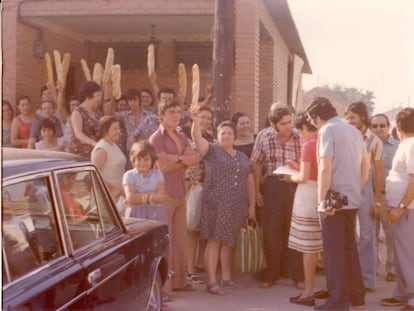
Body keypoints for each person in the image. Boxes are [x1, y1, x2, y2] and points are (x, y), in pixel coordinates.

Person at [305, 97, 370, 311]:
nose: (313, 124)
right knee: (350, 249)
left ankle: (337, 302)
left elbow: (325, 167)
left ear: (317, 117)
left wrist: (322, 201)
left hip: (333, 201)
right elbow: (365, 165)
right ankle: (357, 298)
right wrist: (355, 188)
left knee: (334, 254)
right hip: (351, 199)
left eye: (312, 120)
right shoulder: (354, 131)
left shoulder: (327, 131)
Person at [191, 111, 255, 295]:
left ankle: (226, 278)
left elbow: (249, 180)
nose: (226, 136)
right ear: (217, 136)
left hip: (237, 205)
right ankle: (211, 281)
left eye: (229, 133)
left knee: (229, 241)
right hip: (216, 204)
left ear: (234, 137)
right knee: (214, 240)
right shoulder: (211, 151)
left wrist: (251, 206)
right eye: (222, 133)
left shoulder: (242, 156)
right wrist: (196, 123)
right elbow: (197, 138)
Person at [251, 103, 304, 289]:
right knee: (271, 232)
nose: (289, 126)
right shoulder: (263, 136)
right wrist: (257, 190)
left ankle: (298, 275)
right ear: (273, 125)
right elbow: (257, 163)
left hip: (296, 185)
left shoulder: (299, 137)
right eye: (284, 123)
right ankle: (270, 274)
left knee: (295, 230)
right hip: (273, 186)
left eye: (290, 122)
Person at [149, 99, 199, 292]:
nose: (176, 115)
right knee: (166, 238)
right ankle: (165, 286)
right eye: (171, 112)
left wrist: (176, 158)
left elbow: (194, 159)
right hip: (165, 192)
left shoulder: (181, 135)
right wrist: (182, 160)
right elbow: (163, 166)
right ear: (161, 115)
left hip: (180, 190)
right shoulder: (156, 138)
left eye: (178, 112)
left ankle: (180, 282)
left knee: (180, 237)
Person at [345, 101, 383, 292]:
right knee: (347, 232)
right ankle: (350, 278)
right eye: (347, 118)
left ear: (362, 116)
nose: (349, 121)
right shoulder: (346, 136)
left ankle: (367, 281)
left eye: (352, 117)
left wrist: (377, 200)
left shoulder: (374, 141)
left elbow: (377, 172)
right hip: (347, 186)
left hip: (365, 187)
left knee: (367, 234)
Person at [285, 114, 323, 307]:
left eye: (300, 131)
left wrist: (291, 176)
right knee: (320, 245)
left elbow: (305, 177)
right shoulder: (325, 142)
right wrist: (298, 167)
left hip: (307, 196)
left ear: (305, 128)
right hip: (323, 193)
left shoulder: (309, 145)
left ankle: (308, 290)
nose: (300, 135)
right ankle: (320, 287)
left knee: (308, 247)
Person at [381, 107, 414, 311]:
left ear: (398, 126)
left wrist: (401, 207)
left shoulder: (411, 145)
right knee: (402, 255)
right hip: (401, 208)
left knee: (409, 255)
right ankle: (402, 292)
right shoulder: (406, 144)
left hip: (407, 210)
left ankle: (412, 297)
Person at [185, 104, 214, 285]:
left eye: (208, 118)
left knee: (204, 229)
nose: (205, 121)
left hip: (208, 188)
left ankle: (201, 263)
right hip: (192, 187)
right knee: (191, 230)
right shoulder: (187, 140)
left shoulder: (212, 140)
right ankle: (189, 269)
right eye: (202, 117)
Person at [370, 113, 399, 282]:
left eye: (382, 125)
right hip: (369, 195)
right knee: (370, 234)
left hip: (388, 197)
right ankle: (372, 266)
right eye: (375, 126)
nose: (378, 129)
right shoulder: (364, 145)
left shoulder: (397, 147)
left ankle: (392, 268)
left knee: (390, 234)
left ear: (388, 127)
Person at [122, 141, 168, 221]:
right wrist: (153, 196)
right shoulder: (129, 175)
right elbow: (130, 197)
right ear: (133, 160)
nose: (142, 163)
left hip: (156, 214)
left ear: (152, 160)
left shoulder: (157, 174)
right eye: (139, 159)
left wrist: (137, 197)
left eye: (146, 159)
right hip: (136, 214)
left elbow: (162, 197)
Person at [91, 116, 126, 202]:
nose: (118, 132)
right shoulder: (101, 149)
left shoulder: (113, 144)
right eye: (115, 129)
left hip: (118, 195)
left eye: (118, 128)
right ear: (106, 131)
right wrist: (112, 188)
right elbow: (94, 174)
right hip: (105, 196)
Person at [67, 81, 102, 159]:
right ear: (89, 97)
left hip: (95, 154)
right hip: (80, 155)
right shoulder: (77, 113)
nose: (100, 99)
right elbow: (78, 134)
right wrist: (93, 143)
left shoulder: (98, 113)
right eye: (98, 95)